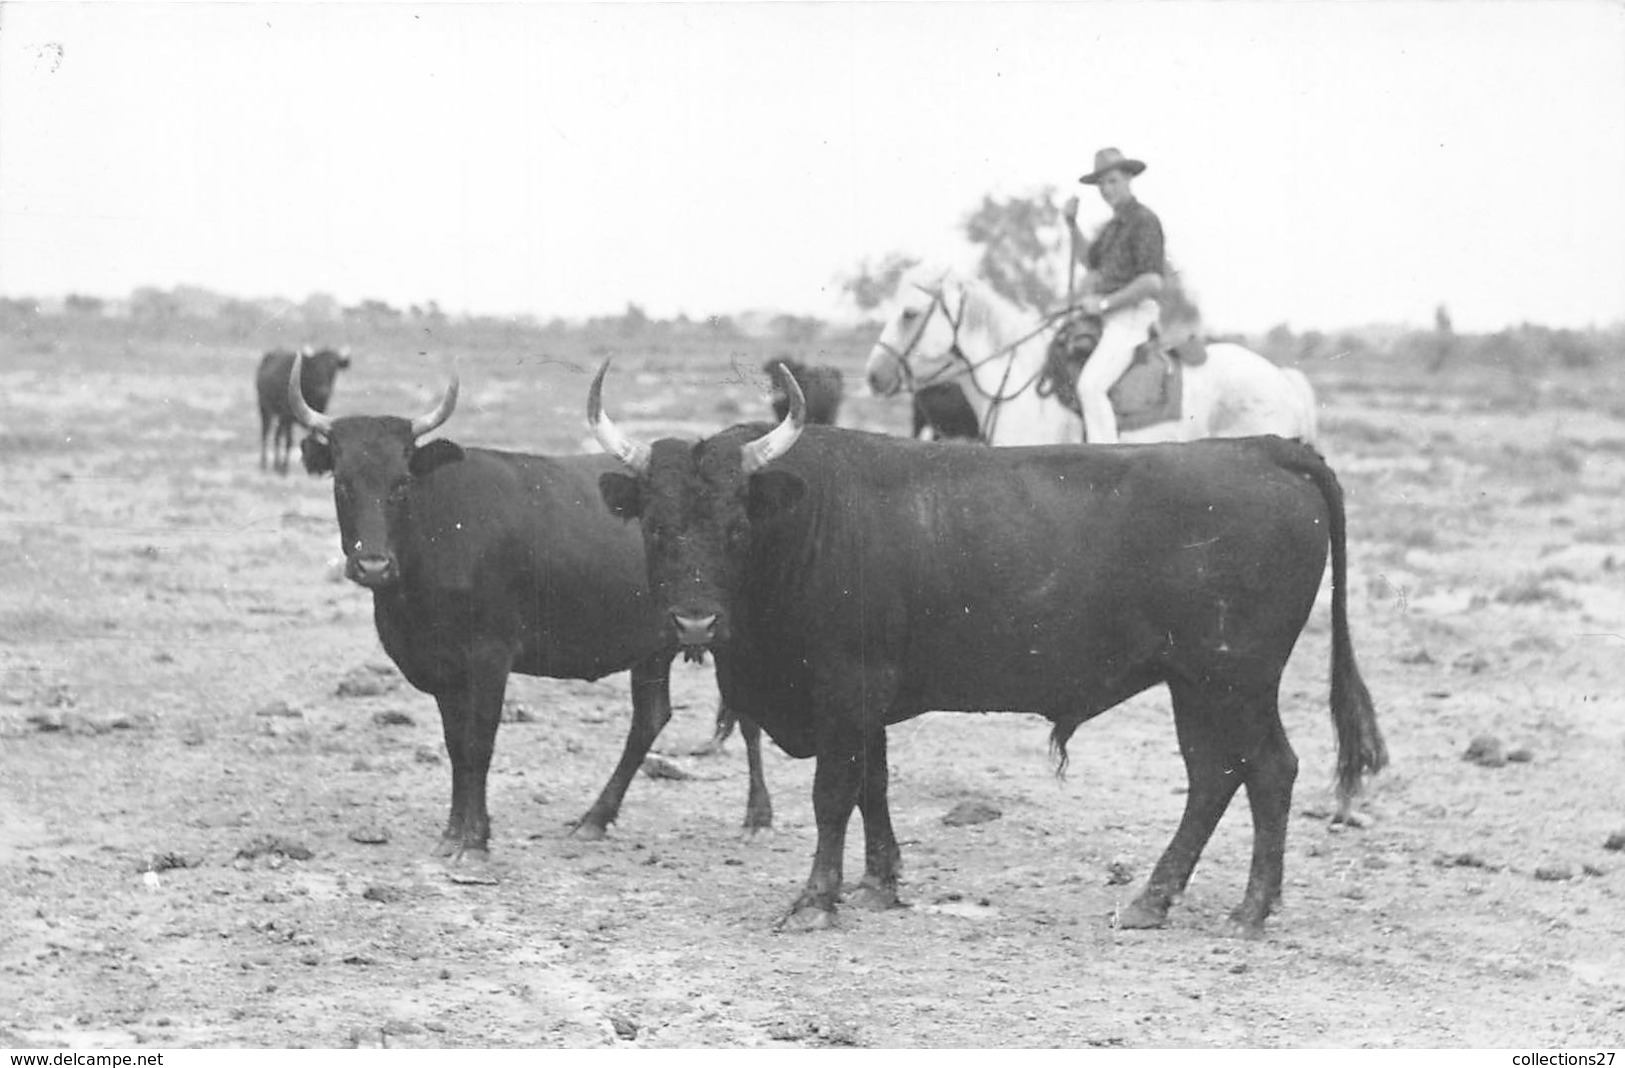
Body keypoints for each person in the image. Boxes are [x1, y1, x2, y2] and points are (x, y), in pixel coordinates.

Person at [1062, 147, 1166, 443]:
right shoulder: (1112, 227)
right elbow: (1087, 260)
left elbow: (1152, 282)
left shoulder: (1144, 220)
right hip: (1111, 317)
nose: (1106, 190)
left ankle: (1106, 462)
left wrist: (1105, 303)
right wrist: (1071, 225)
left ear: (1129, 178)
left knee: (1090, 387)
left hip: (1131, 316)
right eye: (1101, 184)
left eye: (1113, 181)